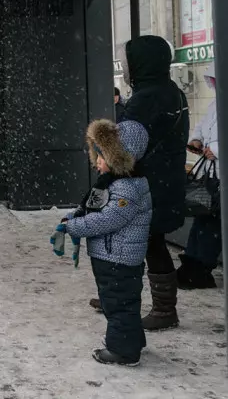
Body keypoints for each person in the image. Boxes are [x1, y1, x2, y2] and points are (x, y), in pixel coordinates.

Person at [97, 36, 189, 331]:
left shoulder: (148, 97)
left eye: (127, 61)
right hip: (162, 179)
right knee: (137, 241)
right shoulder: (170, 91)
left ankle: (163, 309)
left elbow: (124, 145)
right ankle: (123, 296)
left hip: (148, 183)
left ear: (141, 63)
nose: (124, 67)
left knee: (149, 243)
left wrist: (103, 152)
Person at [63, 119, 152, 366]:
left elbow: (107, 219)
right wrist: (71, 217)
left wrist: (74, 227)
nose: (98, 161)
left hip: (119, 258)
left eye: (102, 155)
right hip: (113, 256)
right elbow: (92, 208)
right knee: (122, 302)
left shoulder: (127, 187)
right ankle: (132, 340)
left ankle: (123, 351)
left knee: (118, 304)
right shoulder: (114, 182)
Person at [178, 64, 221, 289]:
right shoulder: (216, 105)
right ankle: (194, 264)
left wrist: (215, 148)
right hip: (212, 175)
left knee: (211, 223)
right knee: (204, 219)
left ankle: (200, 267)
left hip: (220, 175)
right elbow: (202, 129)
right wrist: (196, 141)